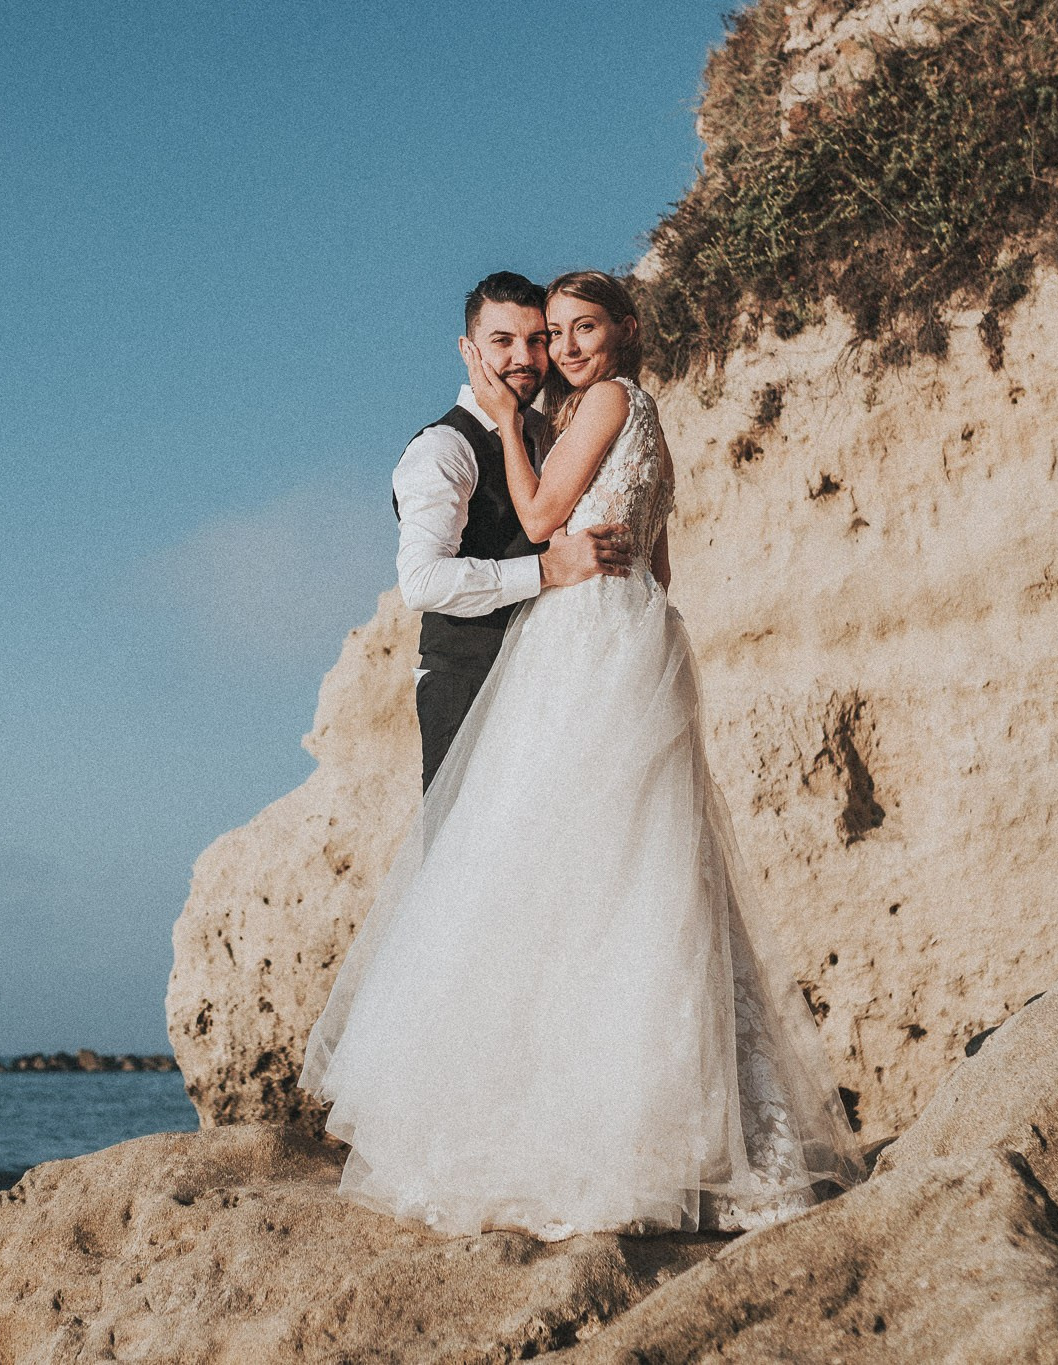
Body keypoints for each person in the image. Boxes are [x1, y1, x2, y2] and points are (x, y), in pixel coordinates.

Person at [298, 270, 865, 1240]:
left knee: (558, 870)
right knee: (607, 868)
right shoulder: (448, 447)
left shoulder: (592, 406)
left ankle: (556, 1126)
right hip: (599, 633)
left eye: (569, 330)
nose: (549, 352)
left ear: (623, 332)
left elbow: (535, 520)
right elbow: (622, 566)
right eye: (530, 337)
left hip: (583, 641)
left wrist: (519, 447)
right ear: (472, 348)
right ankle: (654, 1125)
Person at [391, 271, 634, 791]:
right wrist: (547, 569)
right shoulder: (443, 449)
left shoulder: (549, 435)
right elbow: (422, 581)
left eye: (537, 340)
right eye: (502, 342)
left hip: (550, 682)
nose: (523, 358)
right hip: (467, 685)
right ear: (468, 349)